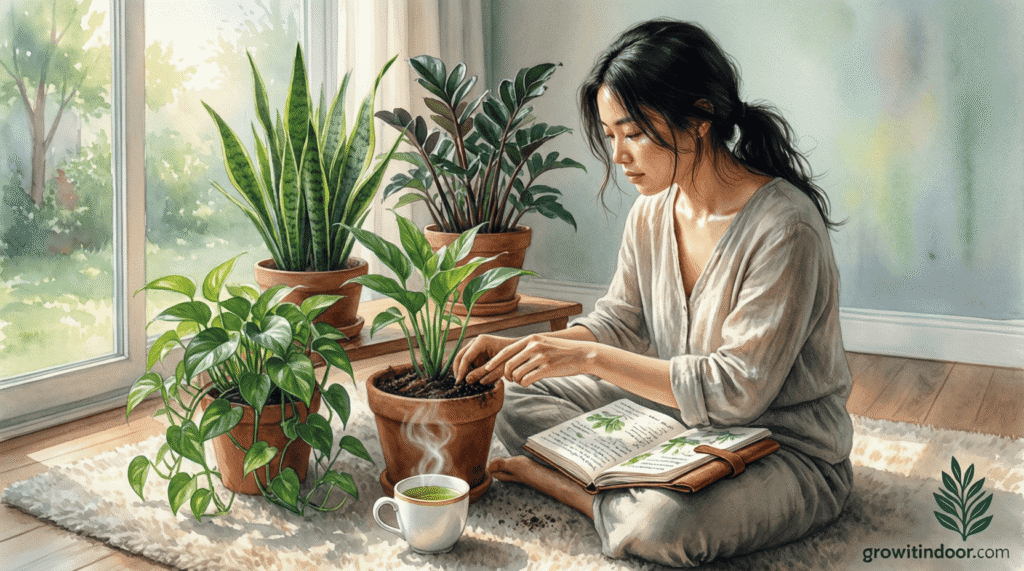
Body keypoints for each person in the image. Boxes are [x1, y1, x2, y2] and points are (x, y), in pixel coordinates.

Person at [453, 18, 853, 568]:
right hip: (675, 420)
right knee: (509, 395)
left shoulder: (785, 228)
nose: (618, 155)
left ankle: (574, 488)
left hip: (783, 448)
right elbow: (620, 322)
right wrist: (521, 351)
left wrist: (587, 357)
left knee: (664, 523)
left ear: (700, 119)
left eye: (634, 133)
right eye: (610, 135)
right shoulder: (650, 212)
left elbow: (737, 393)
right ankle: (629, 482)